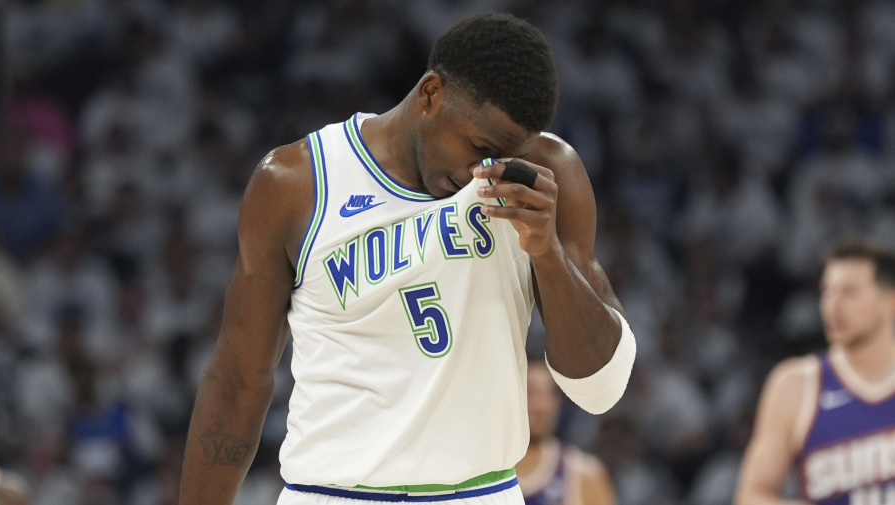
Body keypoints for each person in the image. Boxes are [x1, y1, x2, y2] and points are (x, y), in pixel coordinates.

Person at [179, 12, 636, 505]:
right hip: (331, 493)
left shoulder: (544, 176)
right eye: (478, 147)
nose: (478, 173)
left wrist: (546, 254)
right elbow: (237, 383)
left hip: (479, 492)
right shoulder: (296, 183)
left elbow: (600, 390)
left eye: (502, 155)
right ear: (431, 94)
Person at [735, 241, 895, 505]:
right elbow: (751, 496)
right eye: (827, 292)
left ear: (889, 302)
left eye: (849, 293)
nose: (833, 305)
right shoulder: (796, 384)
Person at [517, 361, 616, 505]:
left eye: (549, 394)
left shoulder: (584, 474)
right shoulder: (482, 469)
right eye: (530, 393)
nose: (542, 406)